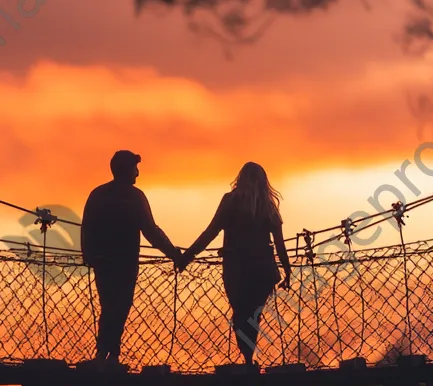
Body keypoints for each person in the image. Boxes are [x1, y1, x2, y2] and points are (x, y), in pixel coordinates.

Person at [177, 162, 292, 367]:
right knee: (253, 314)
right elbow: (280, 244)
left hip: (236, 268)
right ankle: (249, 358)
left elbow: (210, 232)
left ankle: (247, 358)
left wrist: (187, 257)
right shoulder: (268, 206)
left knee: (240, 312)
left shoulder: (230, 201)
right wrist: (287, 271)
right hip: (263, 270)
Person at [81, 150, 182, 364]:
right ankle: (109, 354)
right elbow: (151, 231)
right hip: (124, 263)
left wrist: (89, 255)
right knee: (119, 306)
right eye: (135, 169)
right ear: (127, 170)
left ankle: (105, 353)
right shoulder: (134, 197)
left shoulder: (97, 194)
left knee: (109, 305)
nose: (137, 174)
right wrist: (174, 254)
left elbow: (86, 228)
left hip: (103, 262)